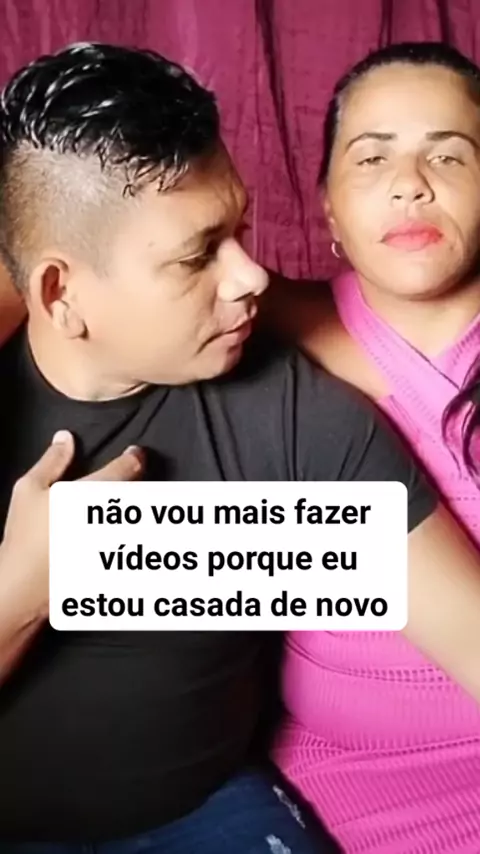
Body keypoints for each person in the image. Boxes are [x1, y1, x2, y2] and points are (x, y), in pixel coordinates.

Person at [0, 43, 476, 854]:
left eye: (239, 232)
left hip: (205, 811)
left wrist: (103, 556)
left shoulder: (295, 406)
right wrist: (22, 589)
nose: (253, 276)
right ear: (59, 292)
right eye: (197, 254)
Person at [267, 42, 480, 854]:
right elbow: (58, 256)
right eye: (371, 156)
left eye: (448, 154)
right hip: (330, 789)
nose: (409, 183)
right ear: (326, 207)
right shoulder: (247, 320)